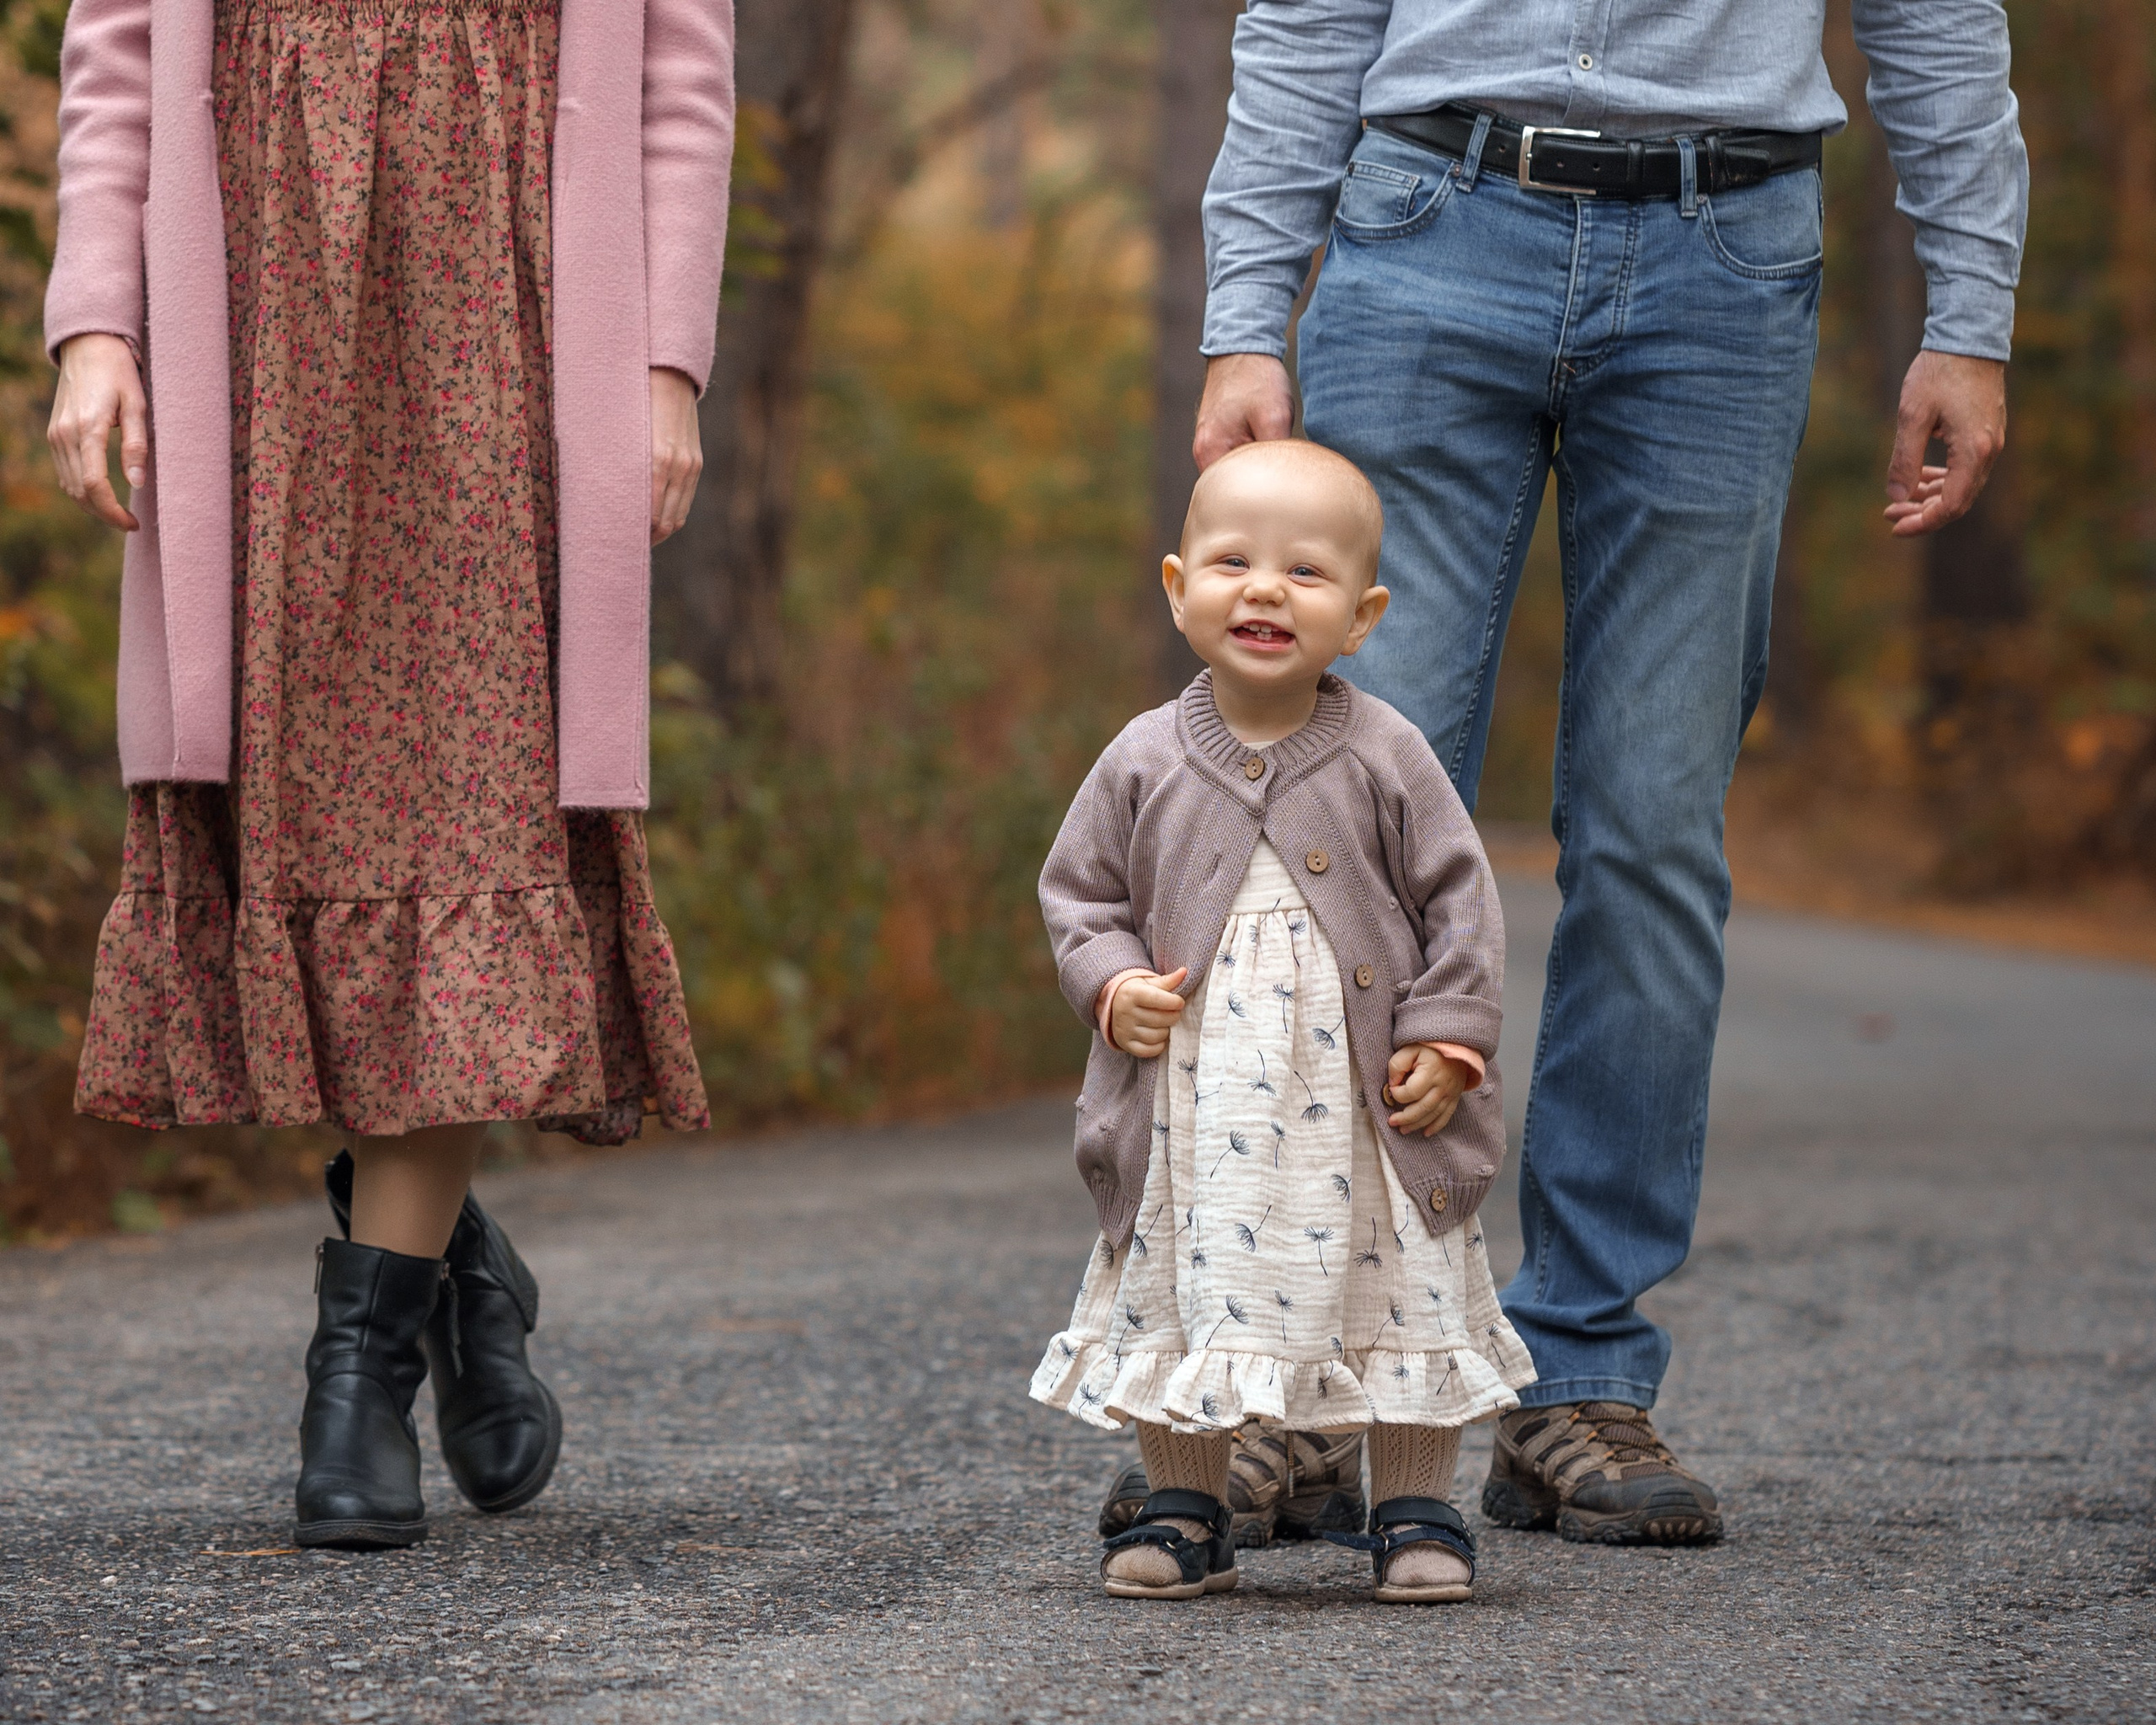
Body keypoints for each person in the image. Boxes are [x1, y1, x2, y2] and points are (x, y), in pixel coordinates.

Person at [1114, 0, 2029, 1546]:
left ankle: (1582, 1371)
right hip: (1424, 229)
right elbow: (1311, 15)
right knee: (1332, 824)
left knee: (1654, 829)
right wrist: (1247, 310)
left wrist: (1971, 311)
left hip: (1725, 258)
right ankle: (1308, 1373)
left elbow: (1936, 18)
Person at [42, 0, 734, 1548]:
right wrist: (99, 324)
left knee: (462, 818)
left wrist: (666, 358)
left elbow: (681, 72)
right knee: (281, 818)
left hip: (513, 297)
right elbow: (117, 54)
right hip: (253, 303)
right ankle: (448, 1256)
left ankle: (357, 1377)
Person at [1033, 439, 1534, 1602]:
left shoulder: (1386, 752)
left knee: (1398, 1287)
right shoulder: (1143, 756)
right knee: (1183, 1281)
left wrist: (1449, 1037)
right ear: (1177, 588)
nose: (1264, 589)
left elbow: (1462, 897)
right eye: (1233, 562)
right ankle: (1185, 1504)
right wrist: (1111, 987)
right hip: (1201, 1114)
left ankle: (1415, 1508)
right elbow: (1079, 896)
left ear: (1362, 617)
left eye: (1306, 574)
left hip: (1360, 1114)